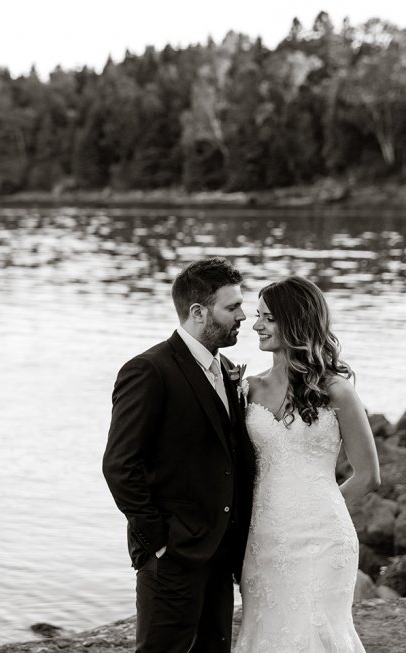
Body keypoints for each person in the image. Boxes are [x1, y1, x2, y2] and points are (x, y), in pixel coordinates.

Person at [103, 258, 257, 653]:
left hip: (220, 556)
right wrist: (157, 542)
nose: (243, 316)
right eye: (233, 307)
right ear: (198, 312)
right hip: (172, 557)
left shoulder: (225, 368)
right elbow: (120, 465)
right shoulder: (149, 370)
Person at [235, 276, 380, 652]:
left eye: (268, 318)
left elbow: (368, 475)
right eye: (257, 315)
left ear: (296, 321)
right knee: (265, 633)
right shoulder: (247, 389)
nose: (256, 325)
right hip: (262, 539)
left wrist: (315, 508)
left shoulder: (336, 391)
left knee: (314, 634)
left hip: (322, 539)